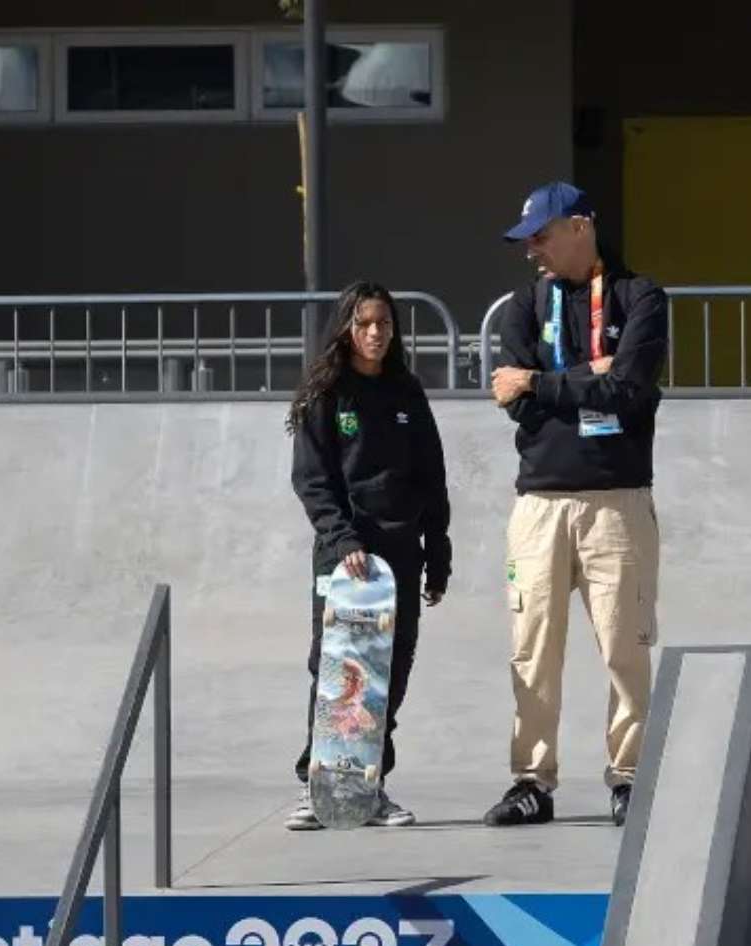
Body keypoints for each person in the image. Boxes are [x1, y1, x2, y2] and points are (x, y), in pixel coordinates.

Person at [485, 181, 668, 828]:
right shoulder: (523, 307)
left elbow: (628, 389)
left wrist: (542, 381)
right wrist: (586, 384)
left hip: (617, 500)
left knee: (624, 646)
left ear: (580, 226)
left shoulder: (638, 296)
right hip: (539, 503)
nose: (531, 248)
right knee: (533, 647)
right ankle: (531, 780)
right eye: (527, 238)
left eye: (541, 234)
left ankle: (630, 775)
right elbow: (514, 400)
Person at [286, 280, 452, 830]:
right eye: (364, 324)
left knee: (387, 672)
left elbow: (432, 477)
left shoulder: (407, 393)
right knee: (337, 668)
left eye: (383, 323)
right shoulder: (327, 395)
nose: (375, 333)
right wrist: (343, 542)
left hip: (402, 553)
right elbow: (312, 481)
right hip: (346, 556)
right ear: (346, 329)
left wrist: (438, 553)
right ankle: (319, 784)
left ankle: (369, 786)